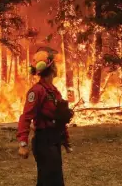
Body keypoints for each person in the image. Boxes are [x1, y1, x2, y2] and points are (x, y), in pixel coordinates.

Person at [17, 49, 73, 186]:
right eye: (55, 65)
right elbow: (25, 117)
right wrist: (23, 144)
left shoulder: (54, 91)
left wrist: (65, 141)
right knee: (49, 181)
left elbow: (59, 119)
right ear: (52, 68)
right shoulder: (37, 91)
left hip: (54, 141)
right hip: (43, 142)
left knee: (55, 180)